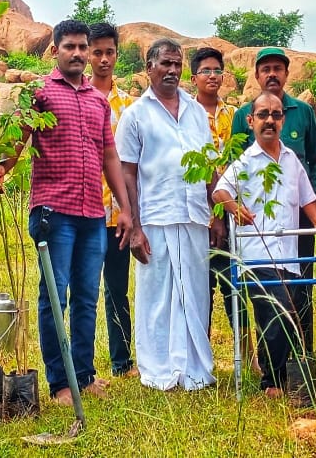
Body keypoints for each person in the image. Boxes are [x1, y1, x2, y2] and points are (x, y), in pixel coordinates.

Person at [0, 19, 132, 405]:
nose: (78, 53)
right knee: (56, 297)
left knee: (87, 296)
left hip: (91, 215)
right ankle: (60, 383)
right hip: (54, 210)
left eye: (83, 47)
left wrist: (123, 207)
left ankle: (84, 375)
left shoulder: (97, 100)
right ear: (54, 51)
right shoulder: (39, 92)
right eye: (69, 46)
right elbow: (17, 140)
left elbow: (109, 155)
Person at [115, 38, 221, 391]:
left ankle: (195, 370)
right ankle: (159, 370)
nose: (173, 70)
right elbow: (127, 172)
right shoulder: (135, 115)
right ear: (149, 68)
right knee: (158, 297)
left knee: (194, 293)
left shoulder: (195, 112)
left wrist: (216, 213)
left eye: (177, 64)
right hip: (155, 219)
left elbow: (208, 165)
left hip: (193, 216)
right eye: (166, 64)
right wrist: (134, 227)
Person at [214, 92, 316, 398]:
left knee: (277, 317)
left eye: (275, 115)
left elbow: (307, 198)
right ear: (250, 121)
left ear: (283, 120)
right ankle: (272, 382)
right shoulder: (244, 162)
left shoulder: (291, 160)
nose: (269, 121)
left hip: (288, 255)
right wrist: (236, 208)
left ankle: (277, 378)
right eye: (263, 115)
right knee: (279, 311)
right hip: (255, 256)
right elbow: (219, 192)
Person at [231, 47, 316, 356]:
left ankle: (302, 355)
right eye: (265, 68)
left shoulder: (304, 112)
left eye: (277, 68)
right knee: (270, 296)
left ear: (286, 73)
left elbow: (313, 163)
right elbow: (235, 170)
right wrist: (235, 210)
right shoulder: (245, 113)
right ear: (256, 75)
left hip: (299, 221)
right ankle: (274, 365)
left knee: (300, 287)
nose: (272, 73)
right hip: (259, 227)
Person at [189, 47, 257, 371]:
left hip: (231, 212)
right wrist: (211, 212)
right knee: (200, 288)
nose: (213, 76)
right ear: (193, 78)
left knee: (235, 286)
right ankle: (201, 361)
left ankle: (249, 359)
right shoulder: (186, 114)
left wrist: (225, 211)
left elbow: (240, 164)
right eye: (206, 71)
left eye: (217, 70)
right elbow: (193, 166)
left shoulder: (235, 116)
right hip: (195, 214)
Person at [88, 22, 137, 378]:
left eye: (109, 52)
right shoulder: (77, 98)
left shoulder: (130, 107)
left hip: (118, 214)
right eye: (97, 52)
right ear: (87, 54)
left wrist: (129, 210)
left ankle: (122, 363)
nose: (104, 59)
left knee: (117, 289)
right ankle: (83, 367)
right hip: (85, 212)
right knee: (85, 291)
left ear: (117, 55)